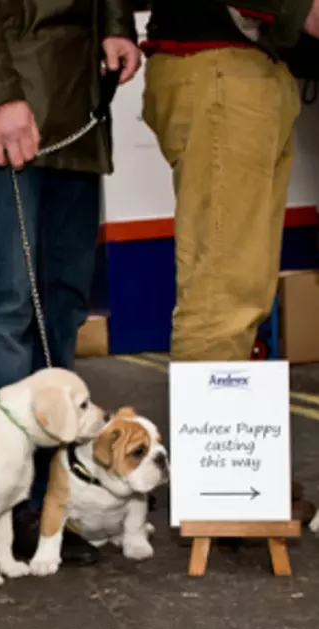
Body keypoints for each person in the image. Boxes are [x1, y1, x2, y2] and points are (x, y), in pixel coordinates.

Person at [0, 0, 141, 565]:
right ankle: (3, 505)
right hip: (1, 89)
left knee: (62, 304)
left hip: (78, 100)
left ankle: (49, 497)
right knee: (6, 303)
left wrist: (115, 27)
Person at [141, 0, 319, 525]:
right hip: (223, 68)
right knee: (222, 290)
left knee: (244, 285)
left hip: (252, 70)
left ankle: (240, 478)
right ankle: (220, 494)